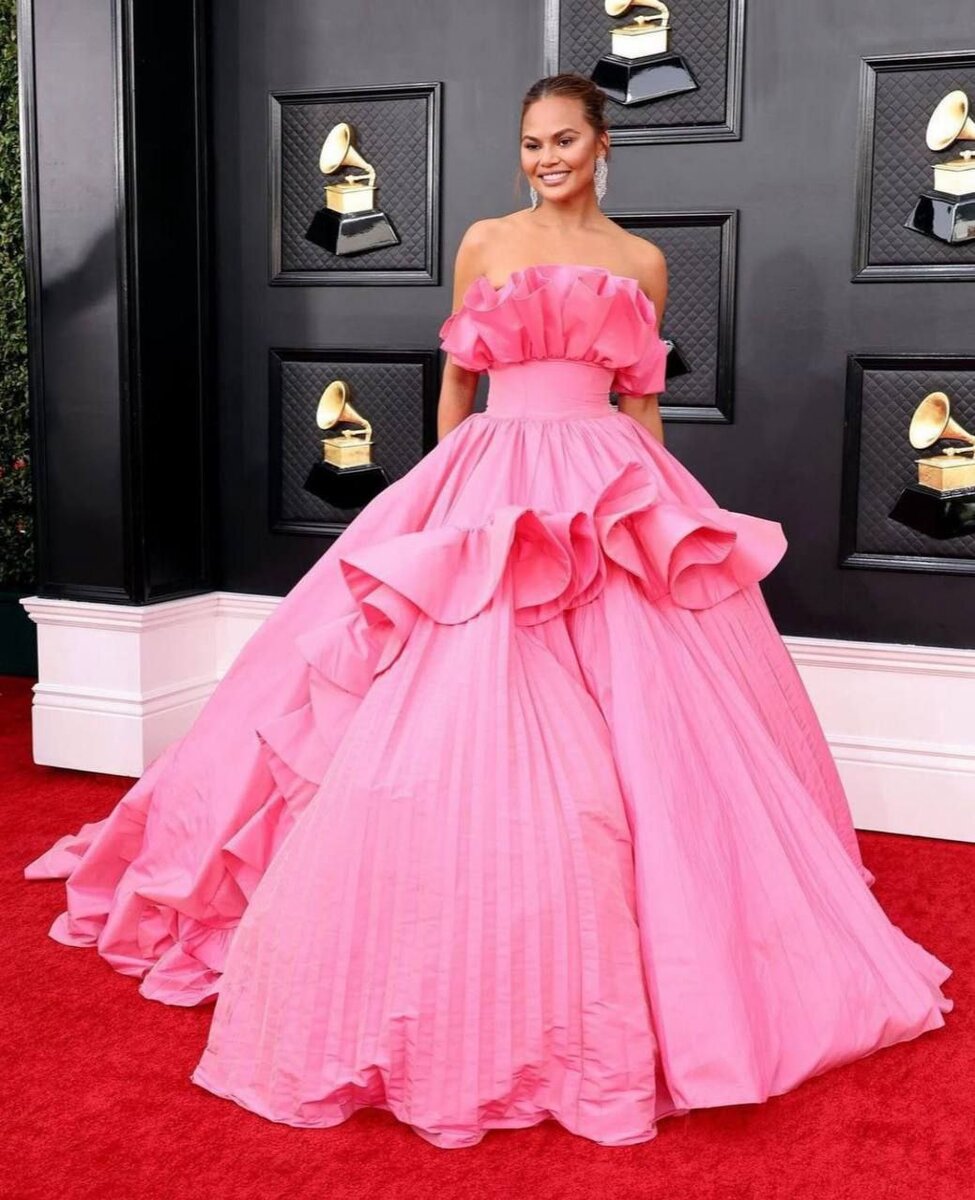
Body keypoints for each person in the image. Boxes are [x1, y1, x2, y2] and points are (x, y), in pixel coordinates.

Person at [25, 72, 952, 1150]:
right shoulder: (484, 242)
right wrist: (446, 495)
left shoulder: (642, 262)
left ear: (602, 146)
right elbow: (457, 388)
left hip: (606, 482)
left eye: (563, 140)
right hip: (490, 477)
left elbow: (642, 402)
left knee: (651, 720)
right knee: (443, 697)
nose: (545, 158)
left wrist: (662, 511)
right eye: (531, 143)